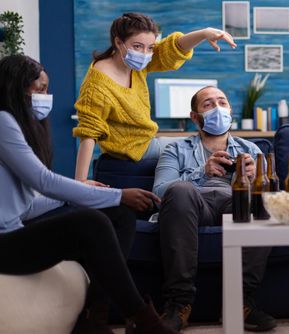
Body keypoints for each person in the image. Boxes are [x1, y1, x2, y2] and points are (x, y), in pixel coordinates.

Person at [0, 54, 180, 334]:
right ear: (15, 87)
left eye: (47, 89)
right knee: (91, 221)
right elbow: (42, 180)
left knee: (120, 215)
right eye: (39, 89)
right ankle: (146, 322)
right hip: (5, 243)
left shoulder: (20, 127)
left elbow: (25, 207)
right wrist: (117, 194)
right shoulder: (2, 121)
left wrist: (84, 192)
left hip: (15, 229)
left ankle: (94, 317)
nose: (46, 96)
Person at [152, 86, 276, 332]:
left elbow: (276, 196)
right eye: (208, 104)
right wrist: (202, 172)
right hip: (195, 206)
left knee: (265, 201)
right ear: (195, 117)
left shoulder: (251, 150)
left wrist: (255, 181)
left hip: (236, 204)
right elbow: (159, 192)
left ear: (230, 110)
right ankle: (179, 303)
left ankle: (240, 302)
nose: (218, 108)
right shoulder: (175, 149)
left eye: (222, 102)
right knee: (178, 190)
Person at [73, 12, 237, 185]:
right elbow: (89, 132)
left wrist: (204, 33)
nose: (144, 54)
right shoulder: (97, 84)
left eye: (150, 47)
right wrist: (81, 181)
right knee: (193, 151)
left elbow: (173, 49)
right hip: (134, 151)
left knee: (206, 146)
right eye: (137, 46)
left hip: (149, 142)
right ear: (118, 42)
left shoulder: (133, 63)